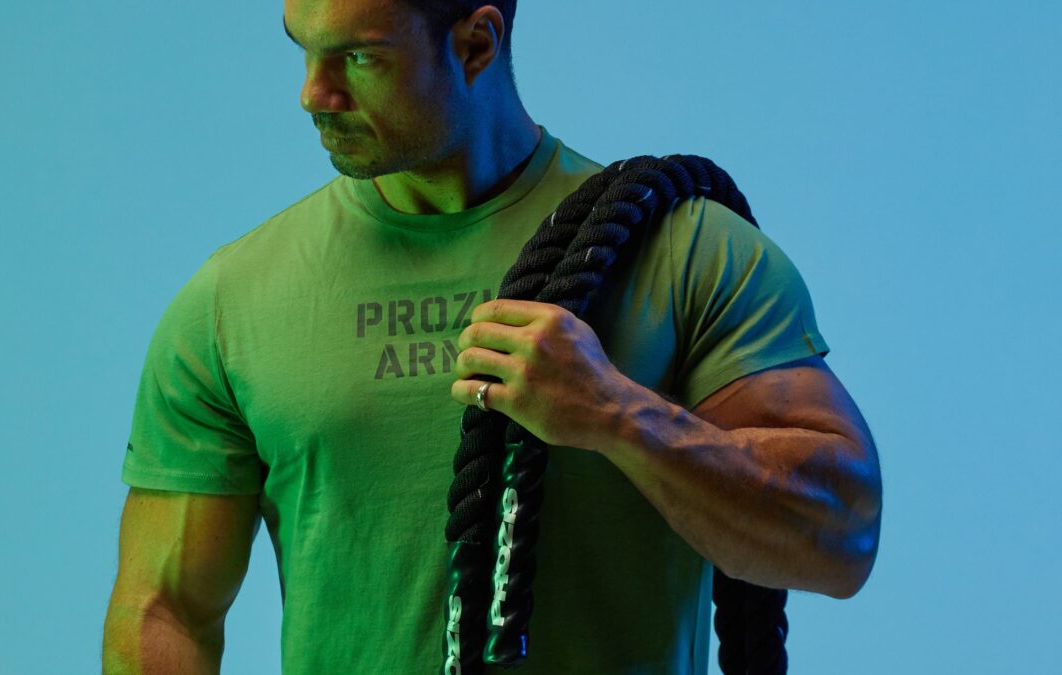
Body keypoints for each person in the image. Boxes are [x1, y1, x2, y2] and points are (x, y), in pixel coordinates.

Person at [102, 1, 883, 673]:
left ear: (477, 44)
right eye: (302, 47)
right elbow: (163, 607)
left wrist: (616, 414)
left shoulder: (682, 254)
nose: (314, 92)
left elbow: (841, 537)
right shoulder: (231, 300)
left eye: (359, 57)